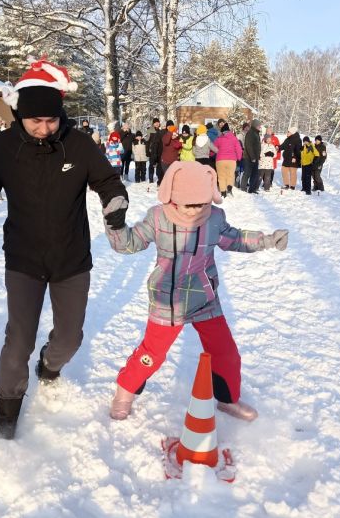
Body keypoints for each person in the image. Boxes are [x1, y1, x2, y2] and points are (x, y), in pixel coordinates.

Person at [0, 56, 128, 440]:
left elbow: (108, 181)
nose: (43, 128)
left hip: (71, 259)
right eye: (35, 120)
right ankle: (7, 406)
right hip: (22, 259)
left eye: (51, 120)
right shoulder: (4, 147)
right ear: (20, 115)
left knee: (70, 337)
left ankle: (49, 367)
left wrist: (115, 202)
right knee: (18, 337)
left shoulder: (78, 145)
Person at [102, 161, 289, 421]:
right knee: (151, 354)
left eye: (201, 204)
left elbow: (234, 239)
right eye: (188, 205)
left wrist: (267, 240)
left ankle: (228, 399)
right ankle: (124, 393)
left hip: (204, 298)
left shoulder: (213, 217)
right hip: (169, 300)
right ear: (173, 197)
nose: (194, 211)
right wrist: (115, 225)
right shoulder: (158, 217)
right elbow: (129, 244)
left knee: (226, 353)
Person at [213, 122, 242, 198]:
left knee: (221, 176)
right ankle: (229, 189)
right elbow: (239, 149)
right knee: (230, 175)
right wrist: (239, 158)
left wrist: (210, 155)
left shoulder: (218, 139)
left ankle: (223, 192)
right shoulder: (234, 138)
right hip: (231, 160)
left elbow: (213, 148)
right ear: (229, 131)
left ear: (222, 132)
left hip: (220, 160)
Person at [242, 119, 261, 193]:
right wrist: (252, 157)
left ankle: (252, 189)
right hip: (249, 158)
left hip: (255, 158)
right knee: (247, 173)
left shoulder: (256, 133)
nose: (260, 127)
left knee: (254, 174)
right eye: (259, 125)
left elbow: (257, 146)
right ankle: (243, 188)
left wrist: (257, 156)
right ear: (255, 125)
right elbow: (249, 146)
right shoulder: (250, 133)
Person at [146, 118, 164, 184]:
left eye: (158, 122)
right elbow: (147, 141)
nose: (157, 124)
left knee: (159, 165)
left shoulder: (160, 131)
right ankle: (151, 179)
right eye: (155, 122)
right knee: (151, 165)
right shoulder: (149, 131)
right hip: (152, 150)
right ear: (153, 124)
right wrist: (147, 151)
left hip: (159, 151)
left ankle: (159, 178)